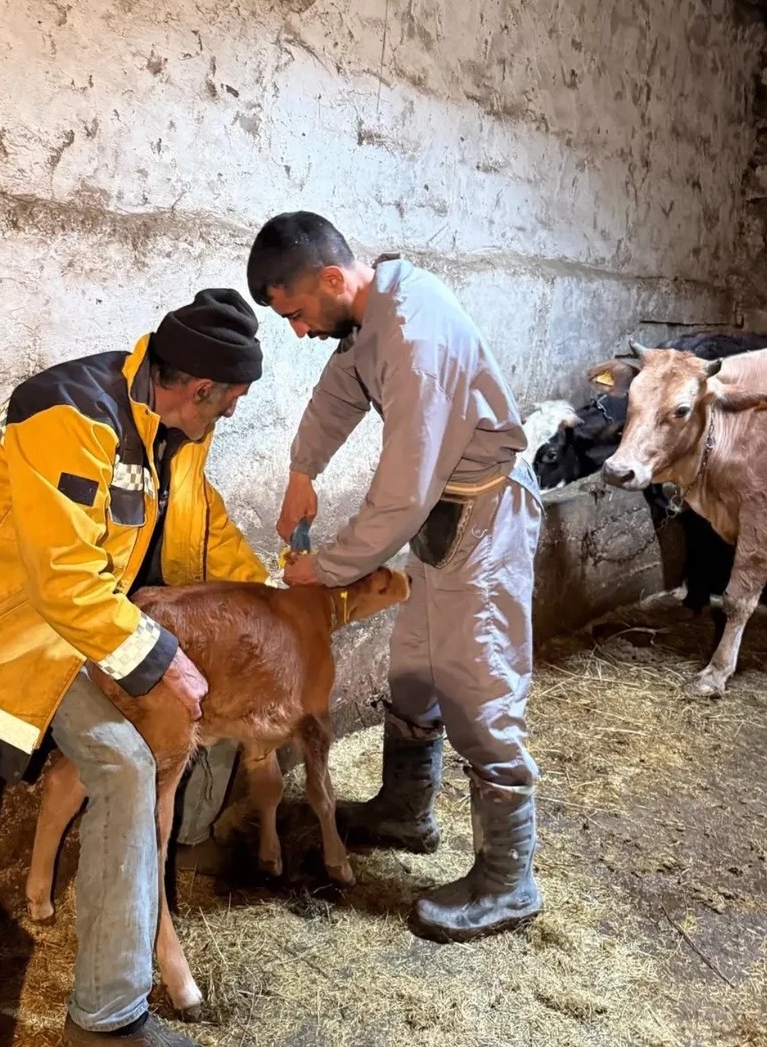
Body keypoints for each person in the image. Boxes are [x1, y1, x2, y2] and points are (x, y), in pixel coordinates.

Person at [0, 289, 269, 1046]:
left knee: (158, 753)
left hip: (96, 628)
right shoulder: (67, 415)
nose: (233, 414)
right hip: (15, 630)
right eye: (233, 399)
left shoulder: (177, 429)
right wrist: (165, 660)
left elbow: (199, 529)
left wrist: (268, 598)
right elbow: (64, 582)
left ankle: (122, 980)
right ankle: (108, 1021)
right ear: (200, 387)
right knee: (123, 763)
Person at [246, 213, 544, 943]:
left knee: (478, 685)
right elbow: (339, 391)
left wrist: (330, 568)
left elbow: (404, 490)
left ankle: (509, 879)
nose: (298, 329)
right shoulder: (366, 321)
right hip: (445, 514)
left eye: (296, 313)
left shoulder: (414, 335)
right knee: (415, 668)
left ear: (330, 279)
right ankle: (407, 810)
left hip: (483, 516)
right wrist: (300, 469)